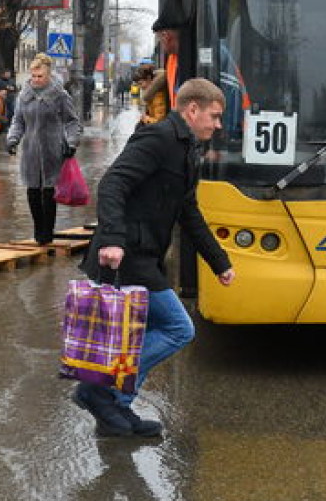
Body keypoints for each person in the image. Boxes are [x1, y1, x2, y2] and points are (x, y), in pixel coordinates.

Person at [75, 78, 236, 438]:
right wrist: (113, 240)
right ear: (192, 110)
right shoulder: (160, 138)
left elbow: (188, 211)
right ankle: (98, 390)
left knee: (140, 335)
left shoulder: (186, 148)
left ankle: (116, 408)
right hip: (127, 255)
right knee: (179, 328)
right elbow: (113, 182)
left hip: (145, 254)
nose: (218, 124)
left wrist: (219, 261)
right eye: (215, 115)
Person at [6, 52, 81, 245]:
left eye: (40, 76)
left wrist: (72, 143)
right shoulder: (24, 96)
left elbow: (72, 122)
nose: (36, 80)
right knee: (32, 190)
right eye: (34, 76)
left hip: (53, 148)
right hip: (30, 149)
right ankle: (38, 229)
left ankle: (48, 232)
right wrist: (12, 140)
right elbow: (18, 121)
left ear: (48, 75)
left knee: (49, 191)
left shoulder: (60, 95)